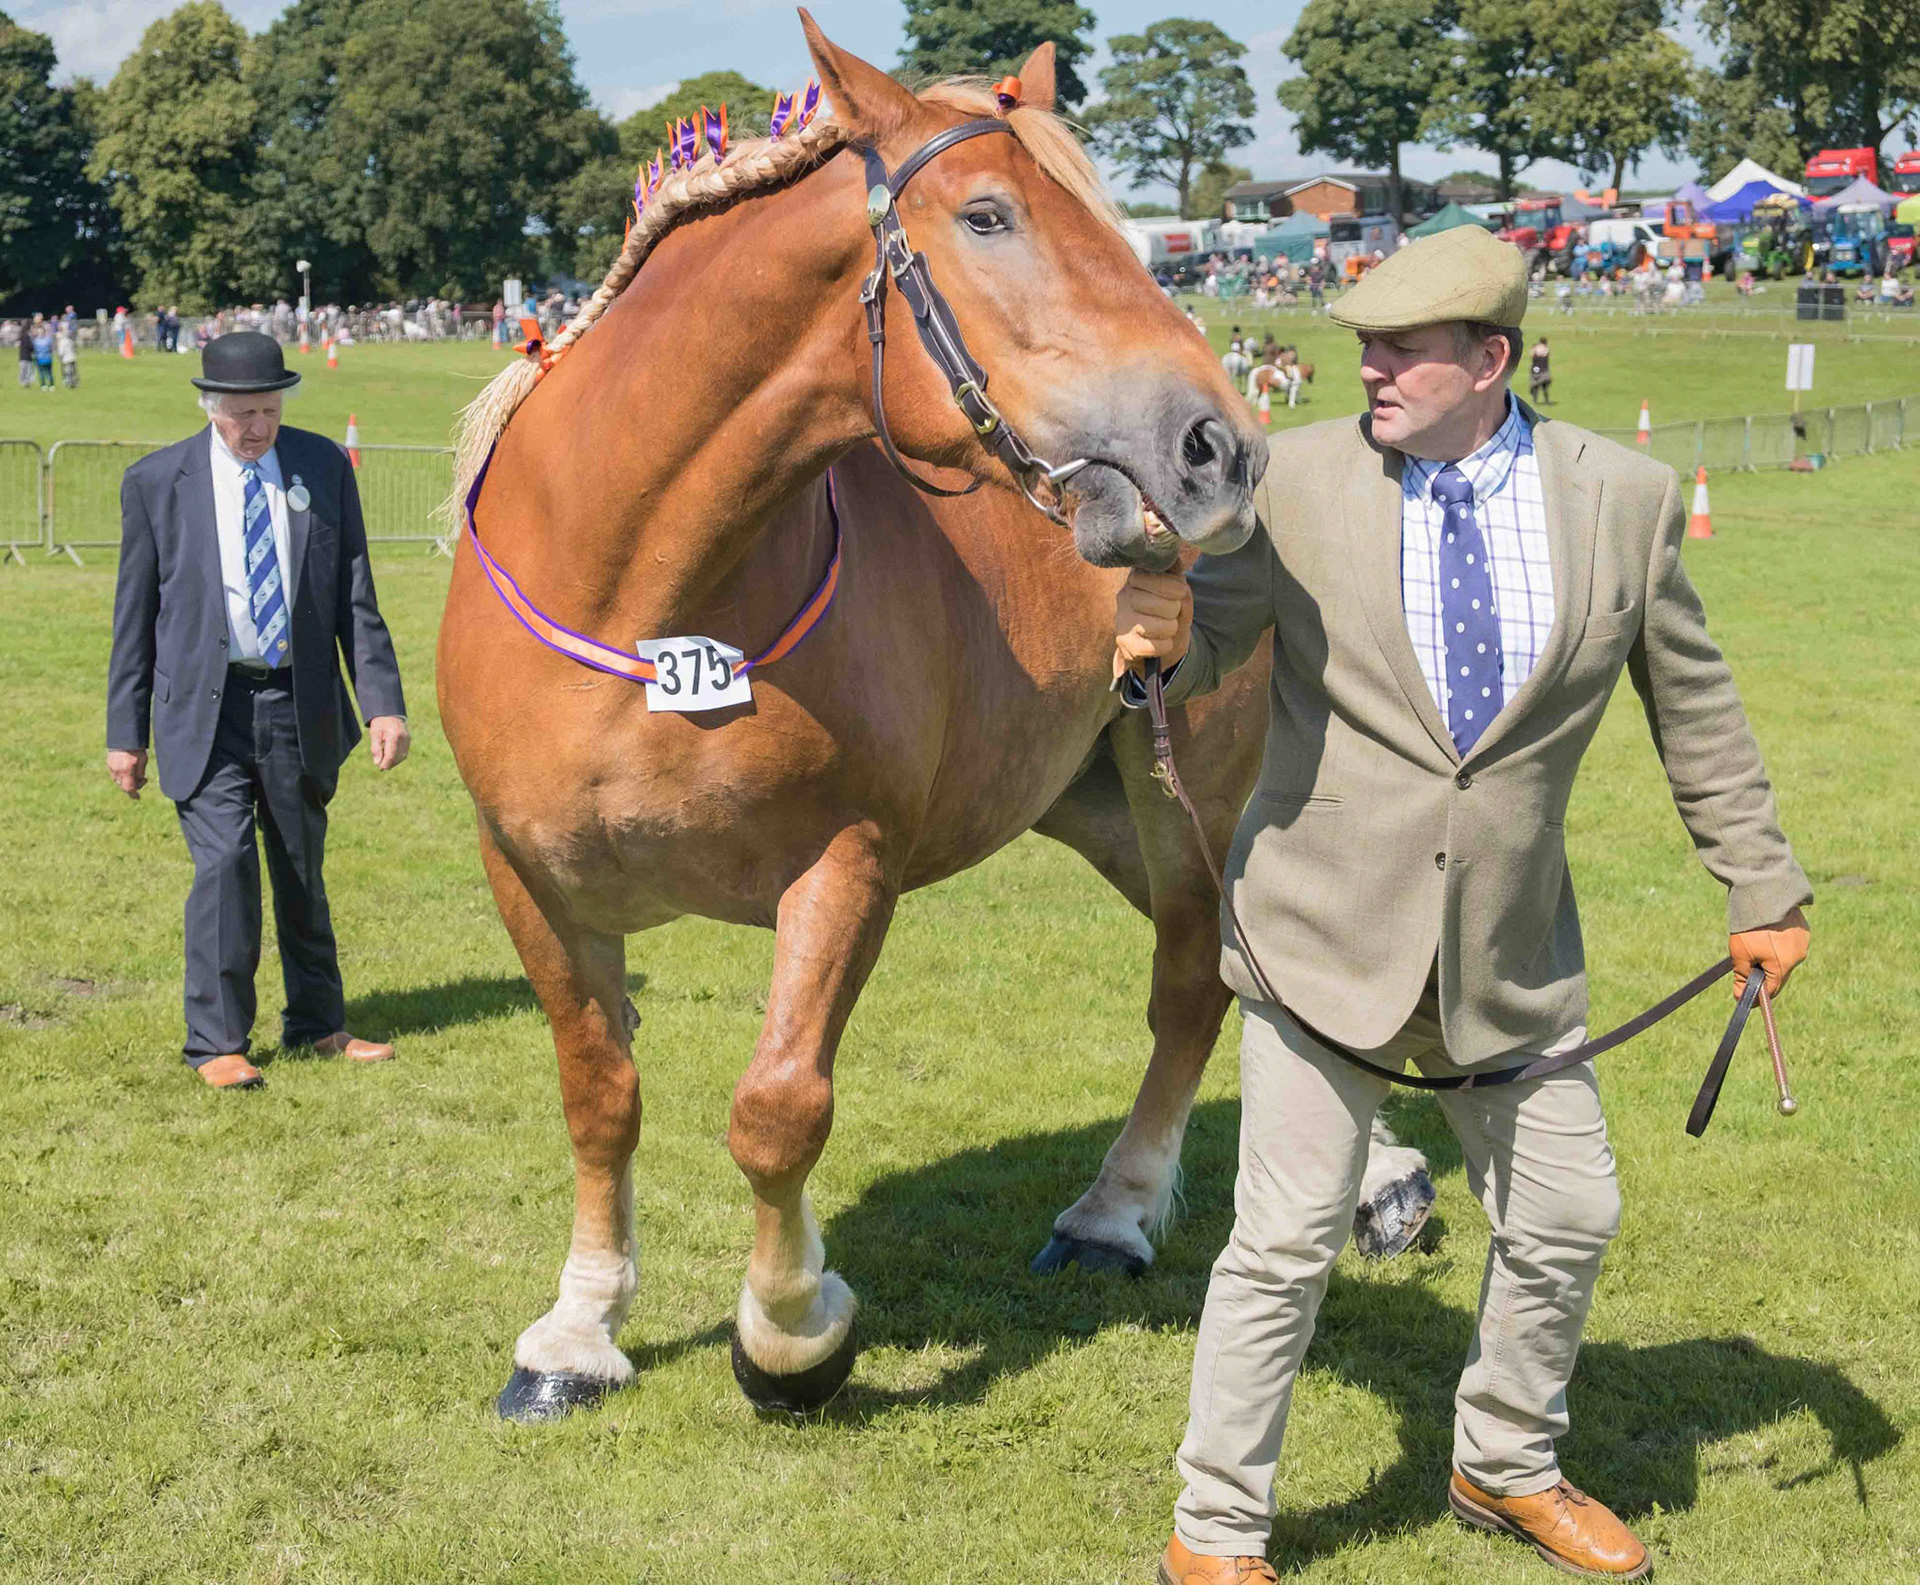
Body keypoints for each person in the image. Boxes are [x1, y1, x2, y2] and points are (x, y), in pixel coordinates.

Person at [1114, 226, 1811, 1584]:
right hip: (1317, 936)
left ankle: (1504, 1461)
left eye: (1400, 349)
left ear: (1489, 360)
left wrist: (1763, 884)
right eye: (1362, 343)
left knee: (1567, 1216)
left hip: (1508, 953)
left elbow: (1699, 709)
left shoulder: (1630, 498)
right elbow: (1211, 647)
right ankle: (1214, 1533)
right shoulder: (1298, 479)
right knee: (1286, 1239)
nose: (1366, 367)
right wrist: (1154, 637)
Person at [106, 332, 411, 1090]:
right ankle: (216, 1043)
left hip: (295, 704)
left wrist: (382, 704)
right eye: (243, 413)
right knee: (224, 865)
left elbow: (355, 597)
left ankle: (318, 1025)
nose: (258, 427)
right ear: (211, 408)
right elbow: (133, 617)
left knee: (301, 867)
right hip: (201, 711)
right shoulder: (156, 483)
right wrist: (125, 733)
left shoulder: (321, 467)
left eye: (269, 410)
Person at [1528, 333, 1551, 405]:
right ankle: (1546, 400)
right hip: (1544, 370)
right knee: (1544, 387)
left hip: (1535, 369)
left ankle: (1535, 399)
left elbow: (1531, 355)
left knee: (1536, 386)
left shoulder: (1535, 348)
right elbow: (1545, 354)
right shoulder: (1546, 349)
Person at [32, 320, 55, 389]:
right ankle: (51, 385)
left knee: (41, 373)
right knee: (49, 373)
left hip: (40, 358)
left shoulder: (35, 341)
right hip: (48, 357)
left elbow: (34, 350)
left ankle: (43, 385)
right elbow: (51, 348)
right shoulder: (48, 339)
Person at [56, 323, 78, 388]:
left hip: (66, 359)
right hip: (72, 358)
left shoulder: (61, 342)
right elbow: (74, 348)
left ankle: (69, 383)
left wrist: (59, 357)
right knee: (73, 371)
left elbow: (61, 352)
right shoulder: (70, 341)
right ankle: (74, 382)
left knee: (68, 372)